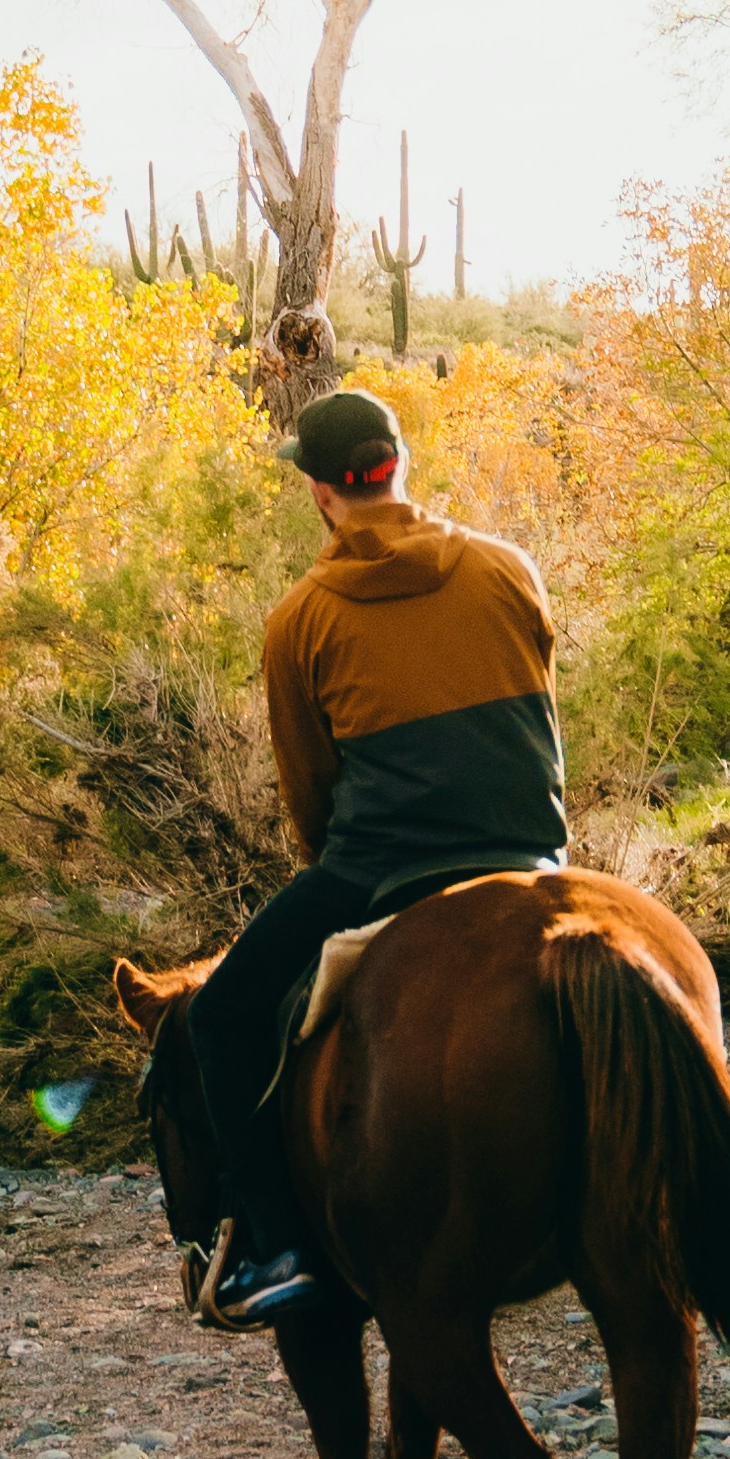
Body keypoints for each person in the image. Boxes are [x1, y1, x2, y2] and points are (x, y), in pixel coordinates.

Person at [186, 382, 569, 1320]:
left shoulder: (300, 619)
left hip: (381, 871)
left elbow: (308, 794)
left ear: (320, 490)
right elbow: (542, 712)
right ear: (400, 467)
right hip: (533, 852)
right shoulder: (507, 566)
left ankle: (272, 1247)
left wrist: (336, 868)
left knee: (218, 1020)